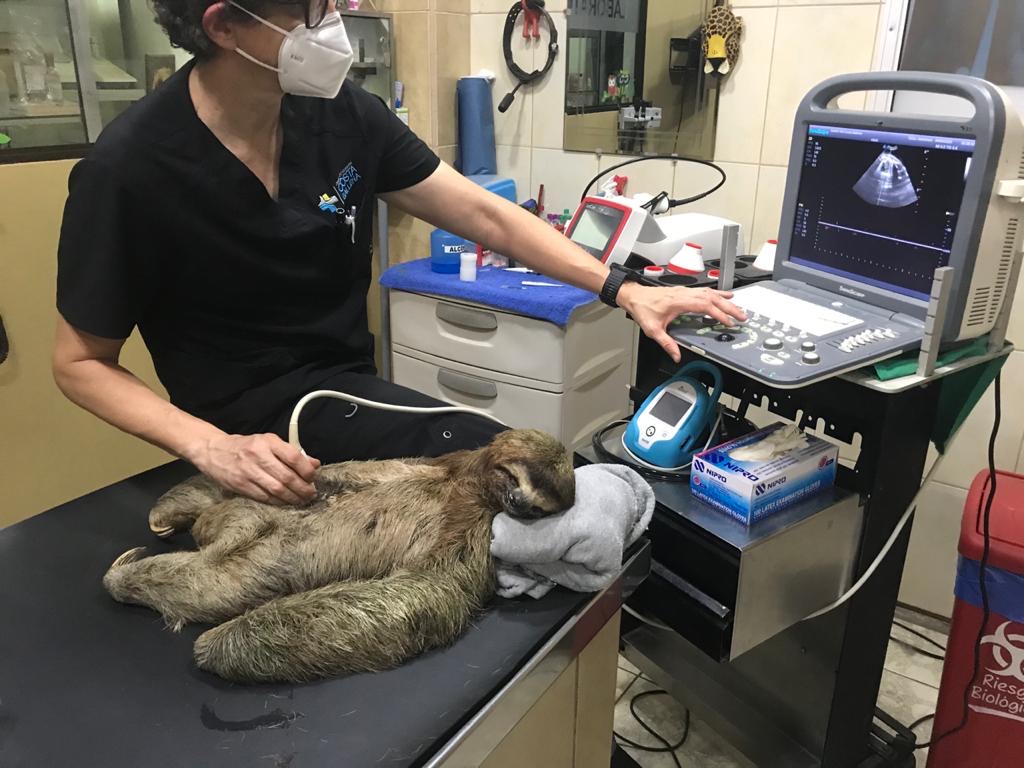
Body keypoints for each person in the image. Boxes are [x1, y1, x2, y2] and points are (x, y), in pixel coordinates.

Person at [52, 0, 745, 507]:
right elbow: (80, 364)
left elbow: (483, 213)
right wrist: (207, 446)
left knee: (529, 473)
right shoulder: (130, 171)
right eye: (309, 8)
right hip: (248, 427)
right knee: (510, 471)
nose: (331, 22)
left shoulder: (343, 115)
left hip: (344, 388)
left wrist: (625, 290)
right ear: (223, 26)